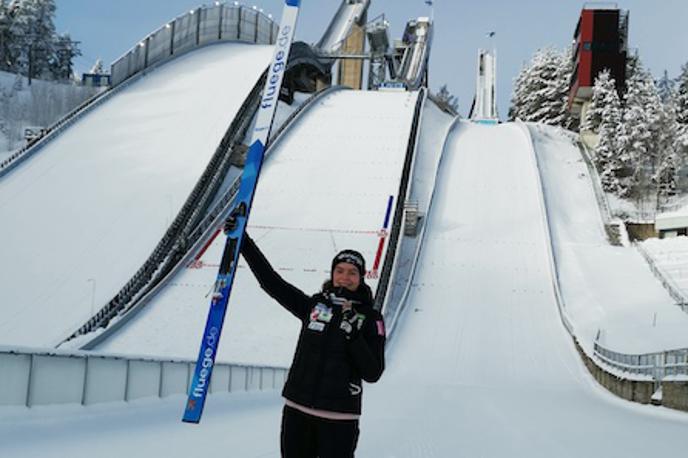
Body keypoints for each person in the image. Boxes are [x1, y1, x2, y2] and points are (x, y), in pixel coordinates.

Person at [225, 218, 386, 458]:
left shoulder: (371, 318)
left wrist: (353, 335)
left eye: (352, 273)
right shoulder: (315, 306)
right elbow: (272, 283)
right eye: (339, 271)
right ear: (332, 274)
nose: (345, 277)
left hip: (339, 419)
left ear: (361, 278)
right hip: (297, 412)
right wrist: (243, 241)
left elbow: (373, 373)